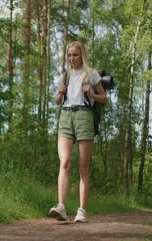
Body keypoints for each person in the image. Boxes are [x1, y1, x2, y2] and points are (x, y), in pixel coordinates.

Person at [49, 41, 107, 222]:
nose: (72, 58)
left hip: (84, 116)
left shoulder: (92, 74)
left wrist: (91, 94)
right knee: (65, 162)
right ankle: (61, 207)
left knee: (83, 167)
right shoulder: (64, 76)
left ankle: (81, 210)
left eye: (75, 54)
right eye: (69, 55)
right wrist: (59, 93)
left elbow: (104, 99)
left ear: (82, 55)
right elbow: (58, 101)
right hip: (66, 116)